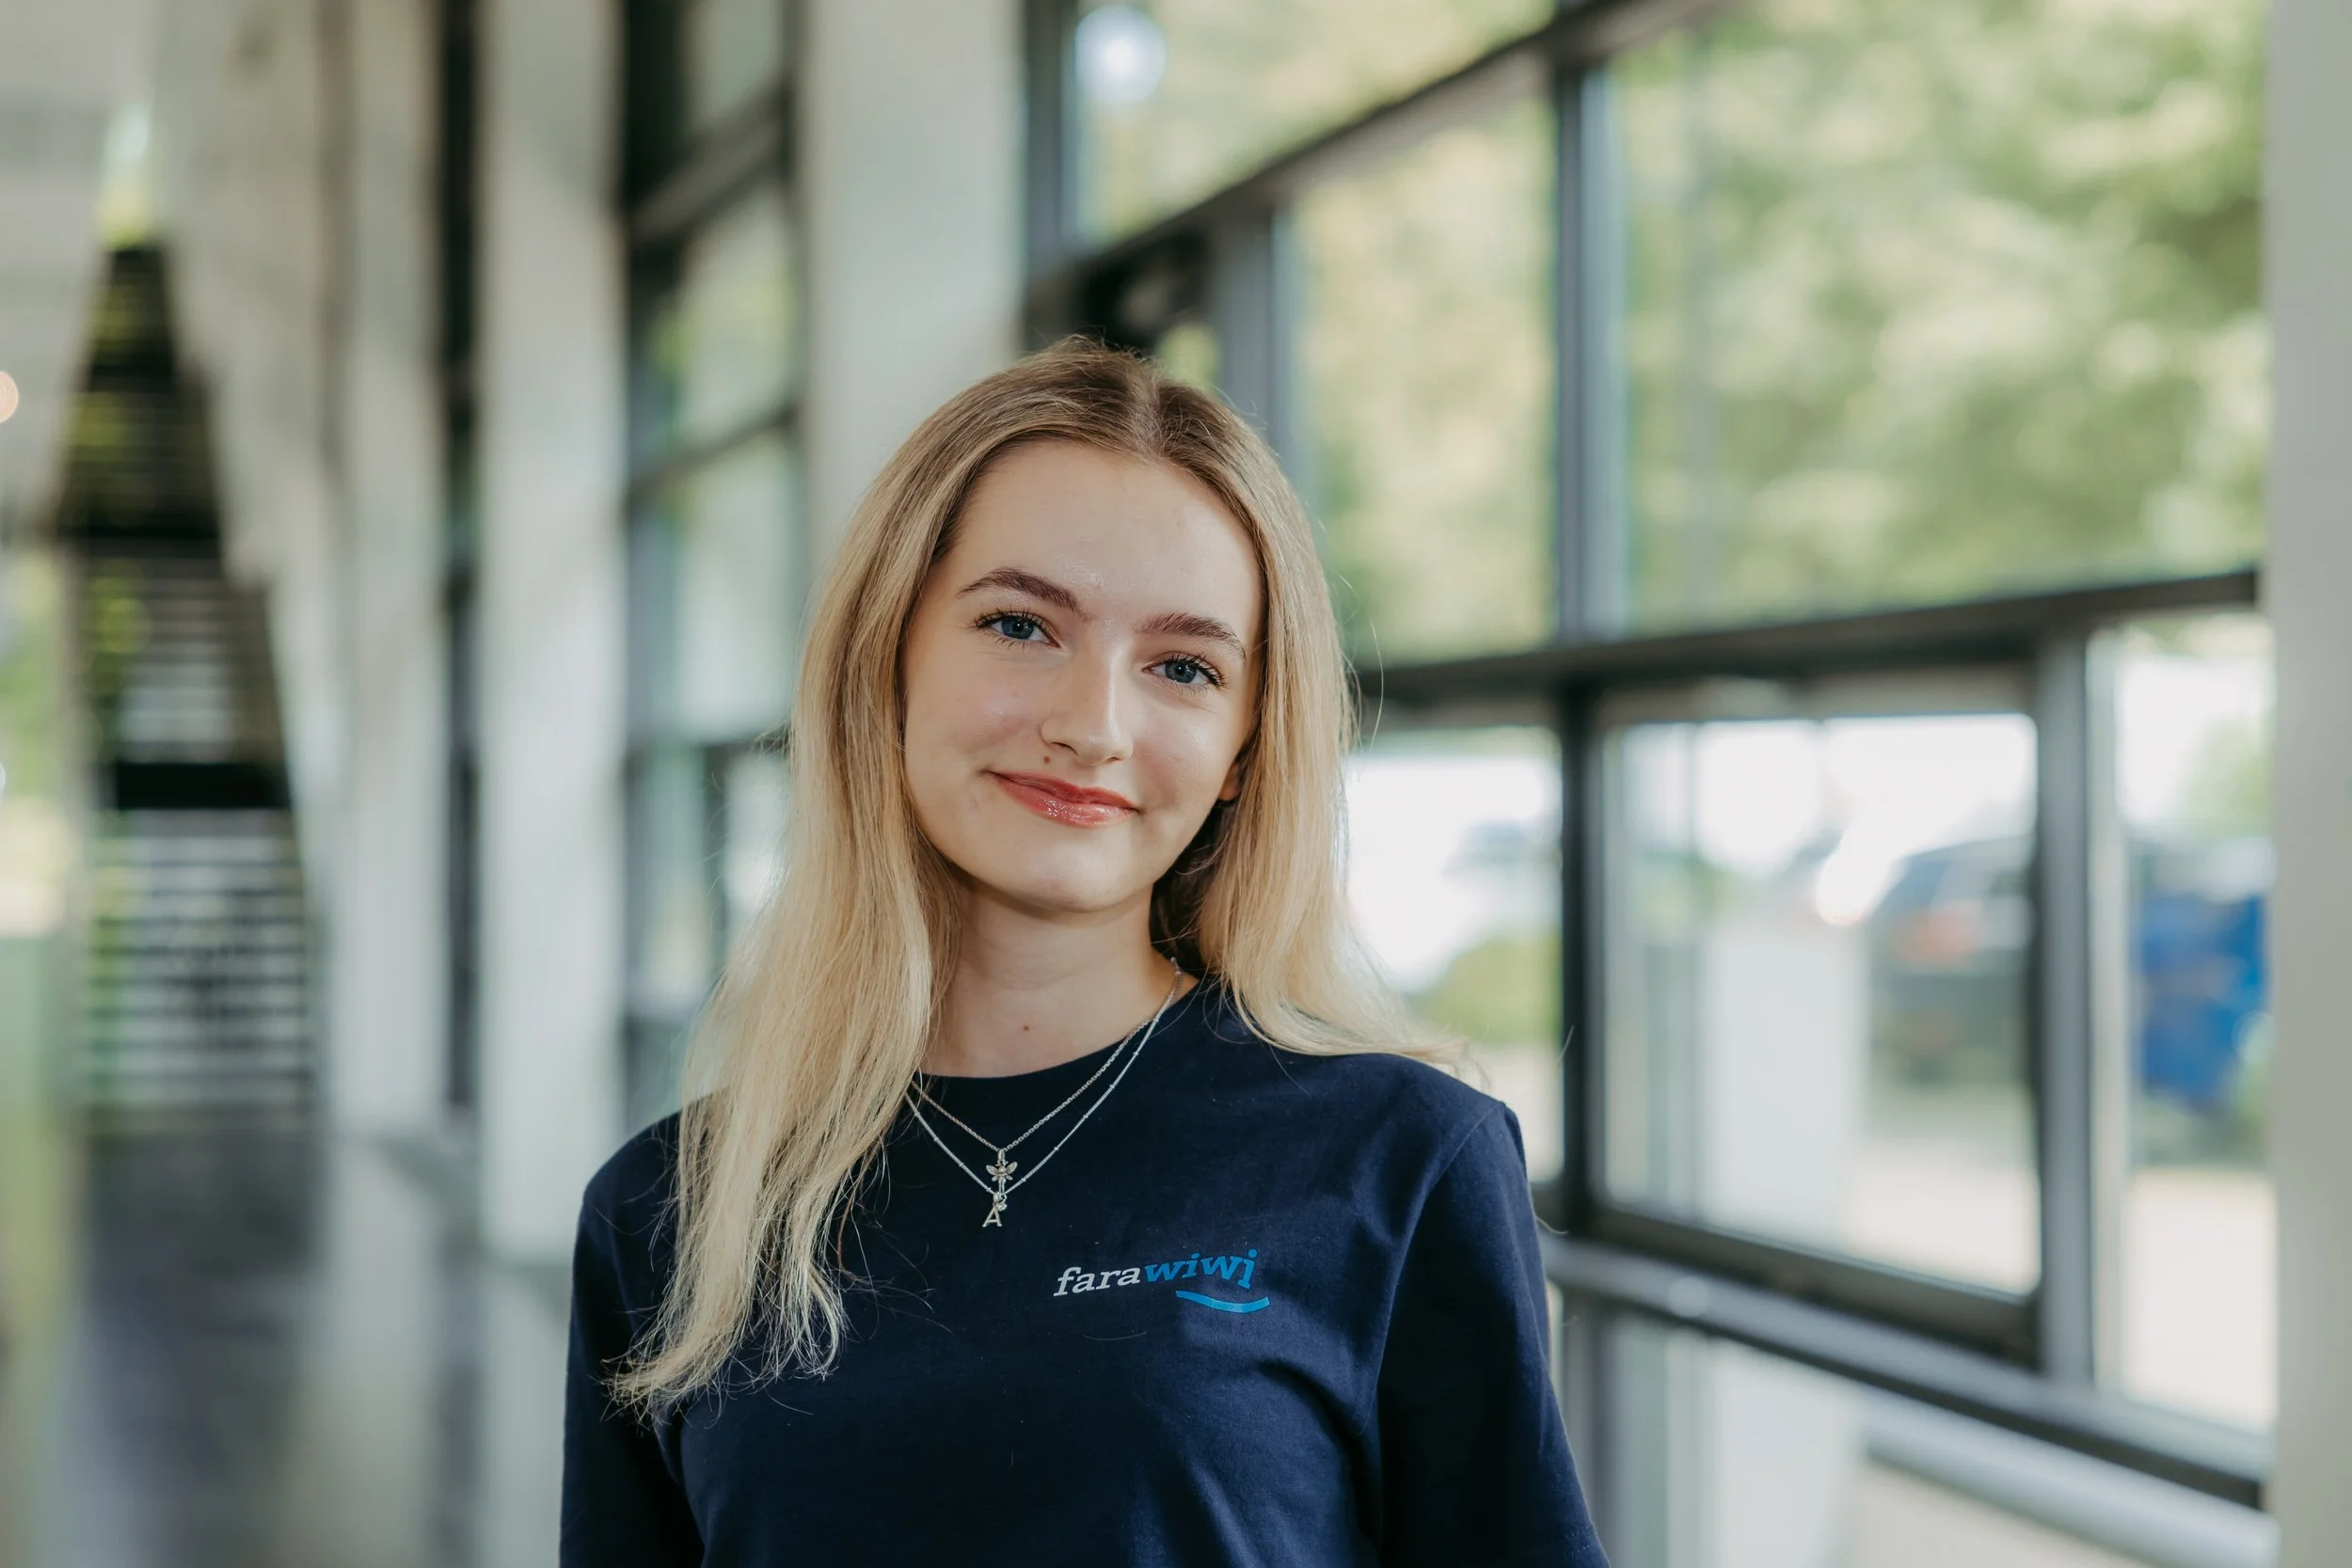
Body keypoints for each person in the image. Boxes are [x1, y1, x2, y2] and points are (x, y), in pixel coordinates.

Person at [562, 340, 1609, 1567]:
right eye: (1020, 624)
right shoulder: (673, 1208)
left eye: (1182, 666)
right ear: (887, 657)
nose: (1093, 725)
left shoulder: (1399, 1157)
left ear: (1242, 749)